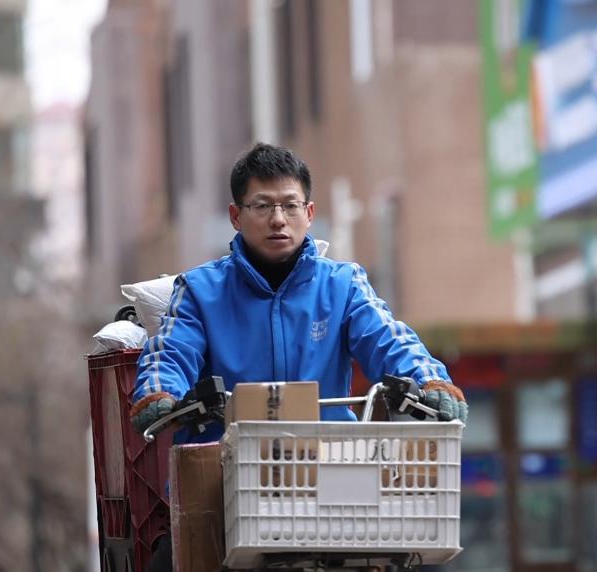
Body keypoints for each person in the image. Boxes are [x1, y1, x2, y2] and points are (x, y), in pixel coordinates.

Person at [131, 143, 466, 570]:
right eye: (262, 206)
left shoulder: (342, 284)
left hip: (331, 477)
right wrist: (159, 392)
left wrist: (429, 381)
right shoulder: (200, 291)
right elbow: (170, 351)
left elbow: (389, 338)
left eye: (290, 206)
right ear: (236, 216)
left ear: (309, 213)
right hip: (227, 478)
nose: (278, 219)